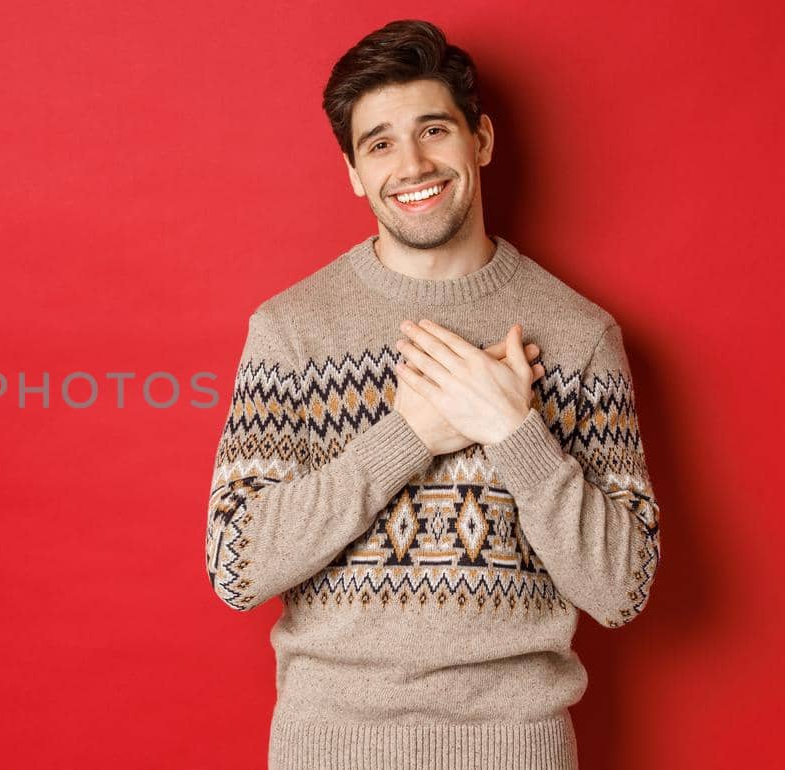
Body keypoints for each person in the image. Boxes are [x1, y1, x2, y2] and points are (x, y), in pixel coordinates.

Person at [203, 19, 661, 770]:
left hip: (517, 750)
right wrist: (407, 435)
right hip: (328, 748)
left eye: (433, 130)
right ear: (353, 171)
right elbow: (235, 568)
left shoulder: (579, 336)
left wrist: (515, 431)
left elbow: (621, 590)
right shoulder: (291, 332)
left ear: (479, 139)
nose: (411, 164)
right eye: (378, 143)